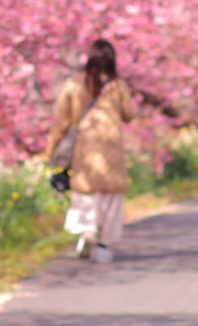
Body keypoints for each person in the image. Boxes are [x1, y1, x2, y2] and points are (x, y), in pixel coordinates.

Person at [45, 39, 136, 263]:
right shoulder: (117, 86)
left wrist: (49, 152)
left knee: (86, 193)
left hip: (84, 149)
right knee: (110, 195)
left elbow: (62, 122)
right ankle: (103, 243)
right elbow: (130, 114)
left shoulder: (74, 85)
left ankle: (87, 231)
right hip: (111, 151)